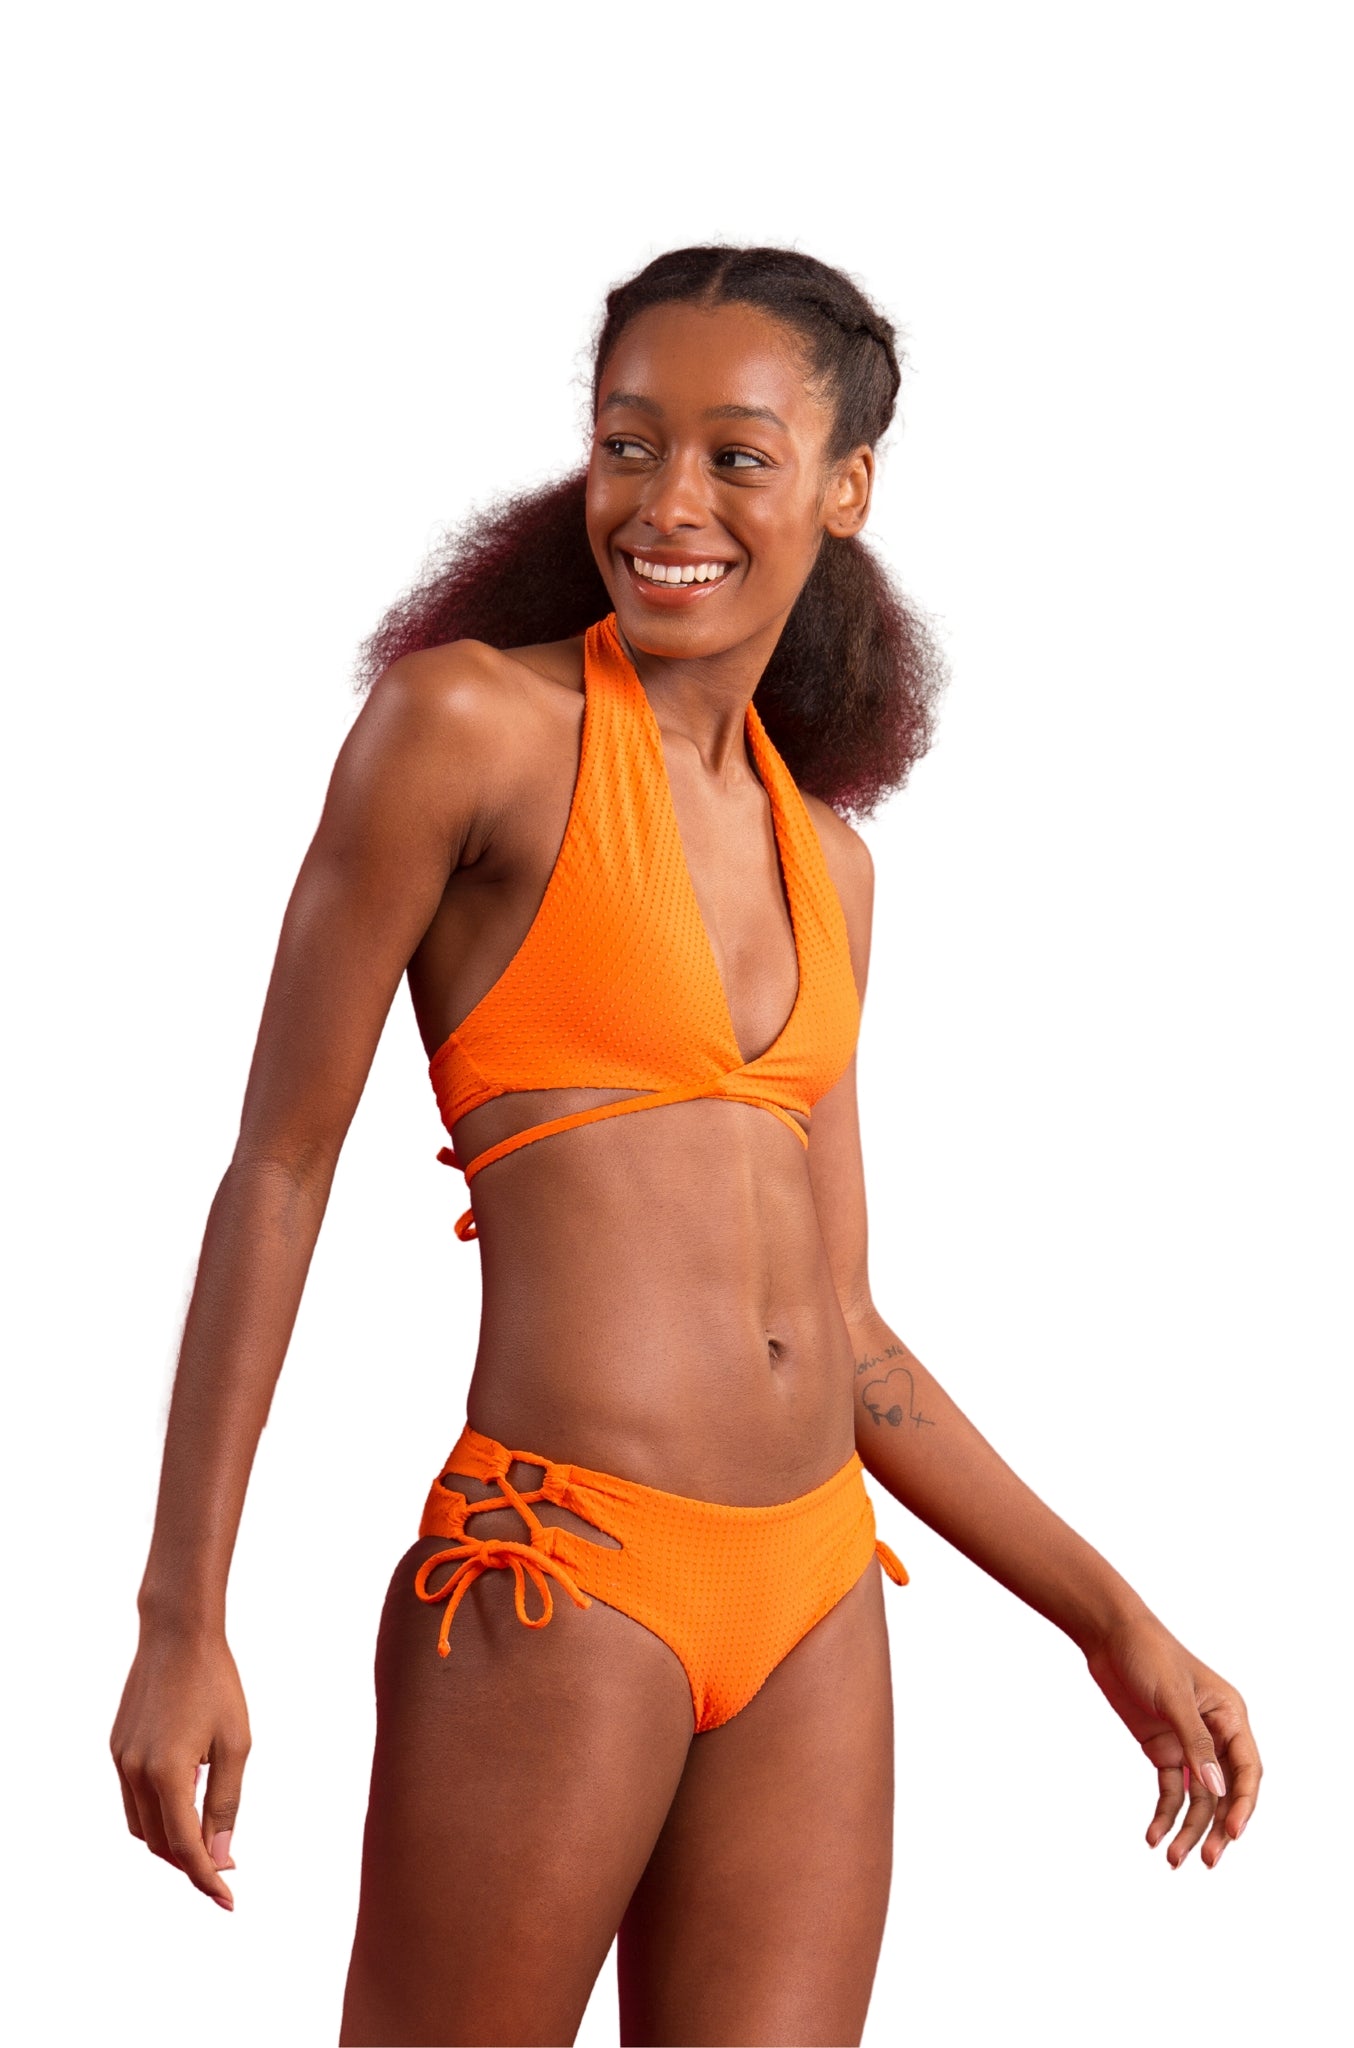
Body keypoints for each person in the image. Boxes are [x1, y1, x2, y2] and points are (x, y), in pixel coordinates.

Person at [110, 244, 1262, 2048]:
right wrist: (182, 1614)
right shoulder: (469, 730)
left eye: (738, 455)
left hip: (815, 1594)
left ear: (845, 487)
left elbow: (852, 1340)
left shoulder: (832, 866)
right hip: (564, 1570)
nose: (668, 504)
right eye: (629, 443)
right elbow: (277, 1171)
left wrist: (1111, 1617)